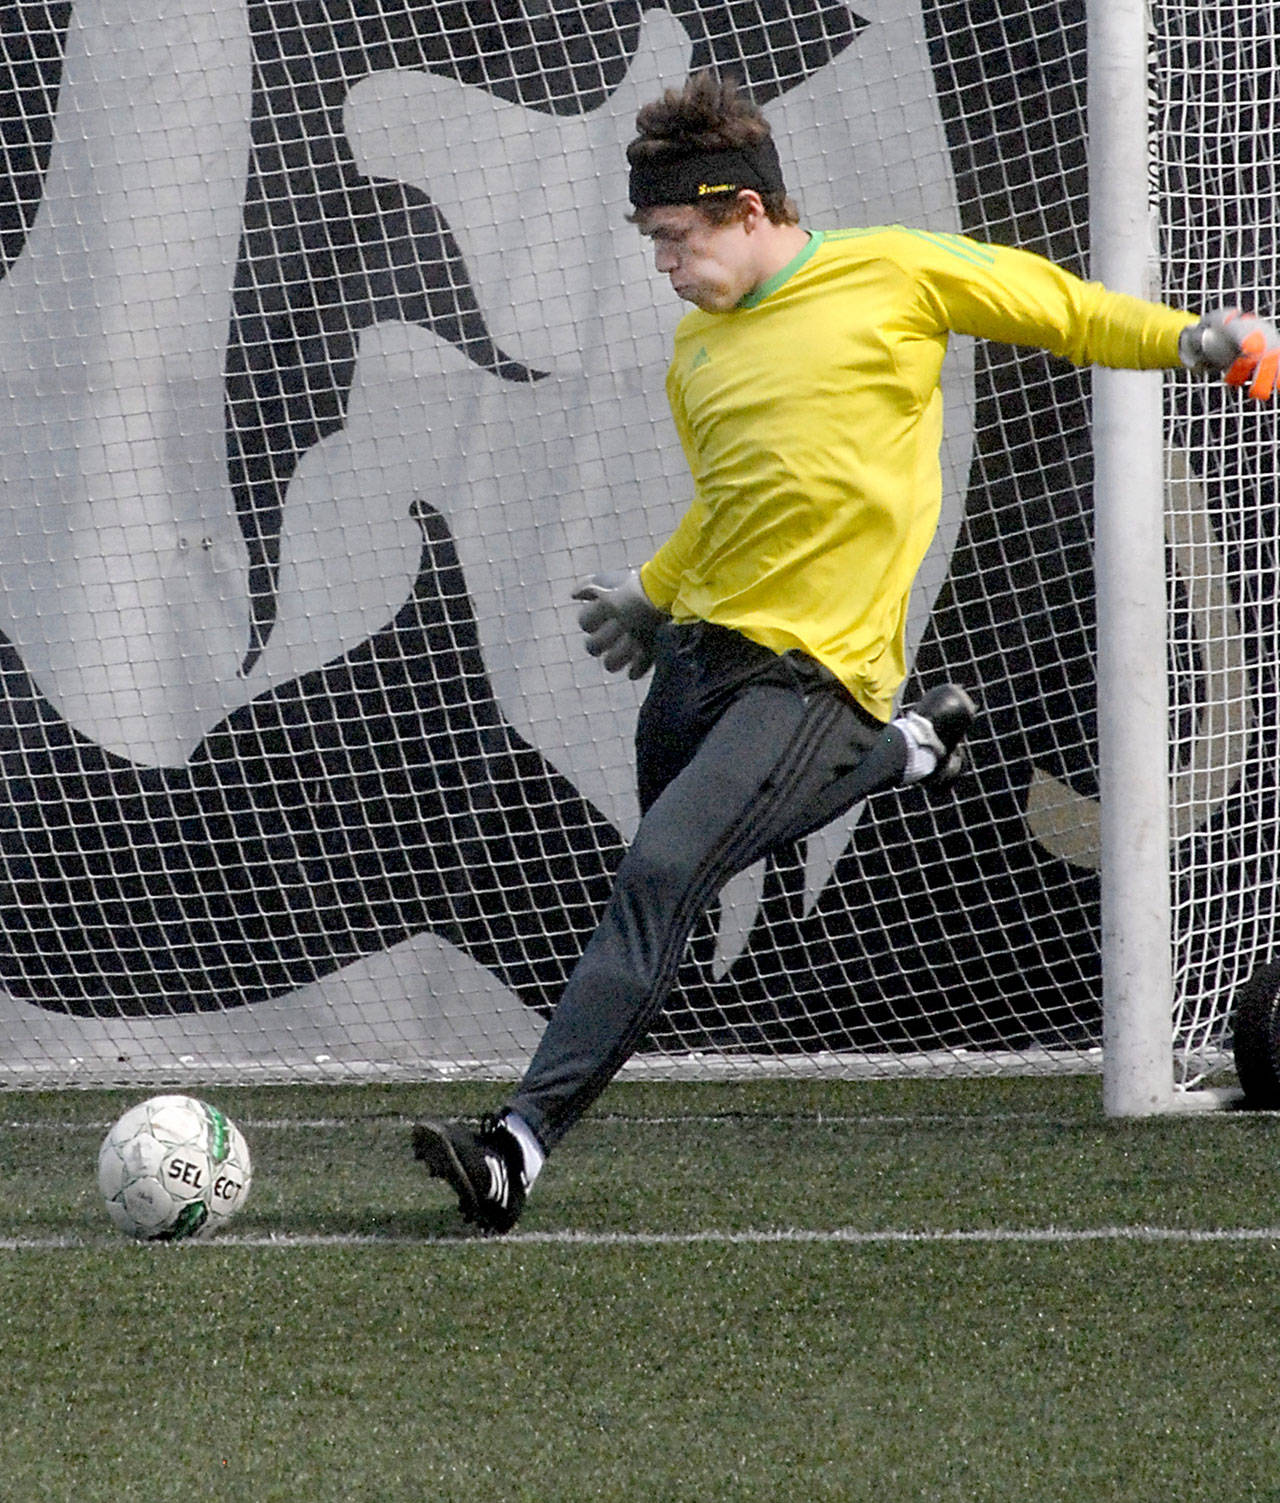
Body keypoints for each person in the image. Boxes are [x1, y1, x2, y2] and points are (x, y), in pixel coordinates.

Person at [413, 70, 1280, 1233]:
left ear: (744, 210)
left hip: (812, 672)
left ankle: (513, 1148)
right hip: (696, 665)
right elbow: (732, 505)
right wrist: (649, 594)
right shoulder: (695, 351)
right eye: (650, 242)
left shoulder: (892, 272)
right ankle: (906, 752)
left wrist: (1185, 338)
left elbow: (1053, 307)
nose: (662, 264)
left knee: (660, 876)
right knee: (684, 878)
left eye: (672, 237)